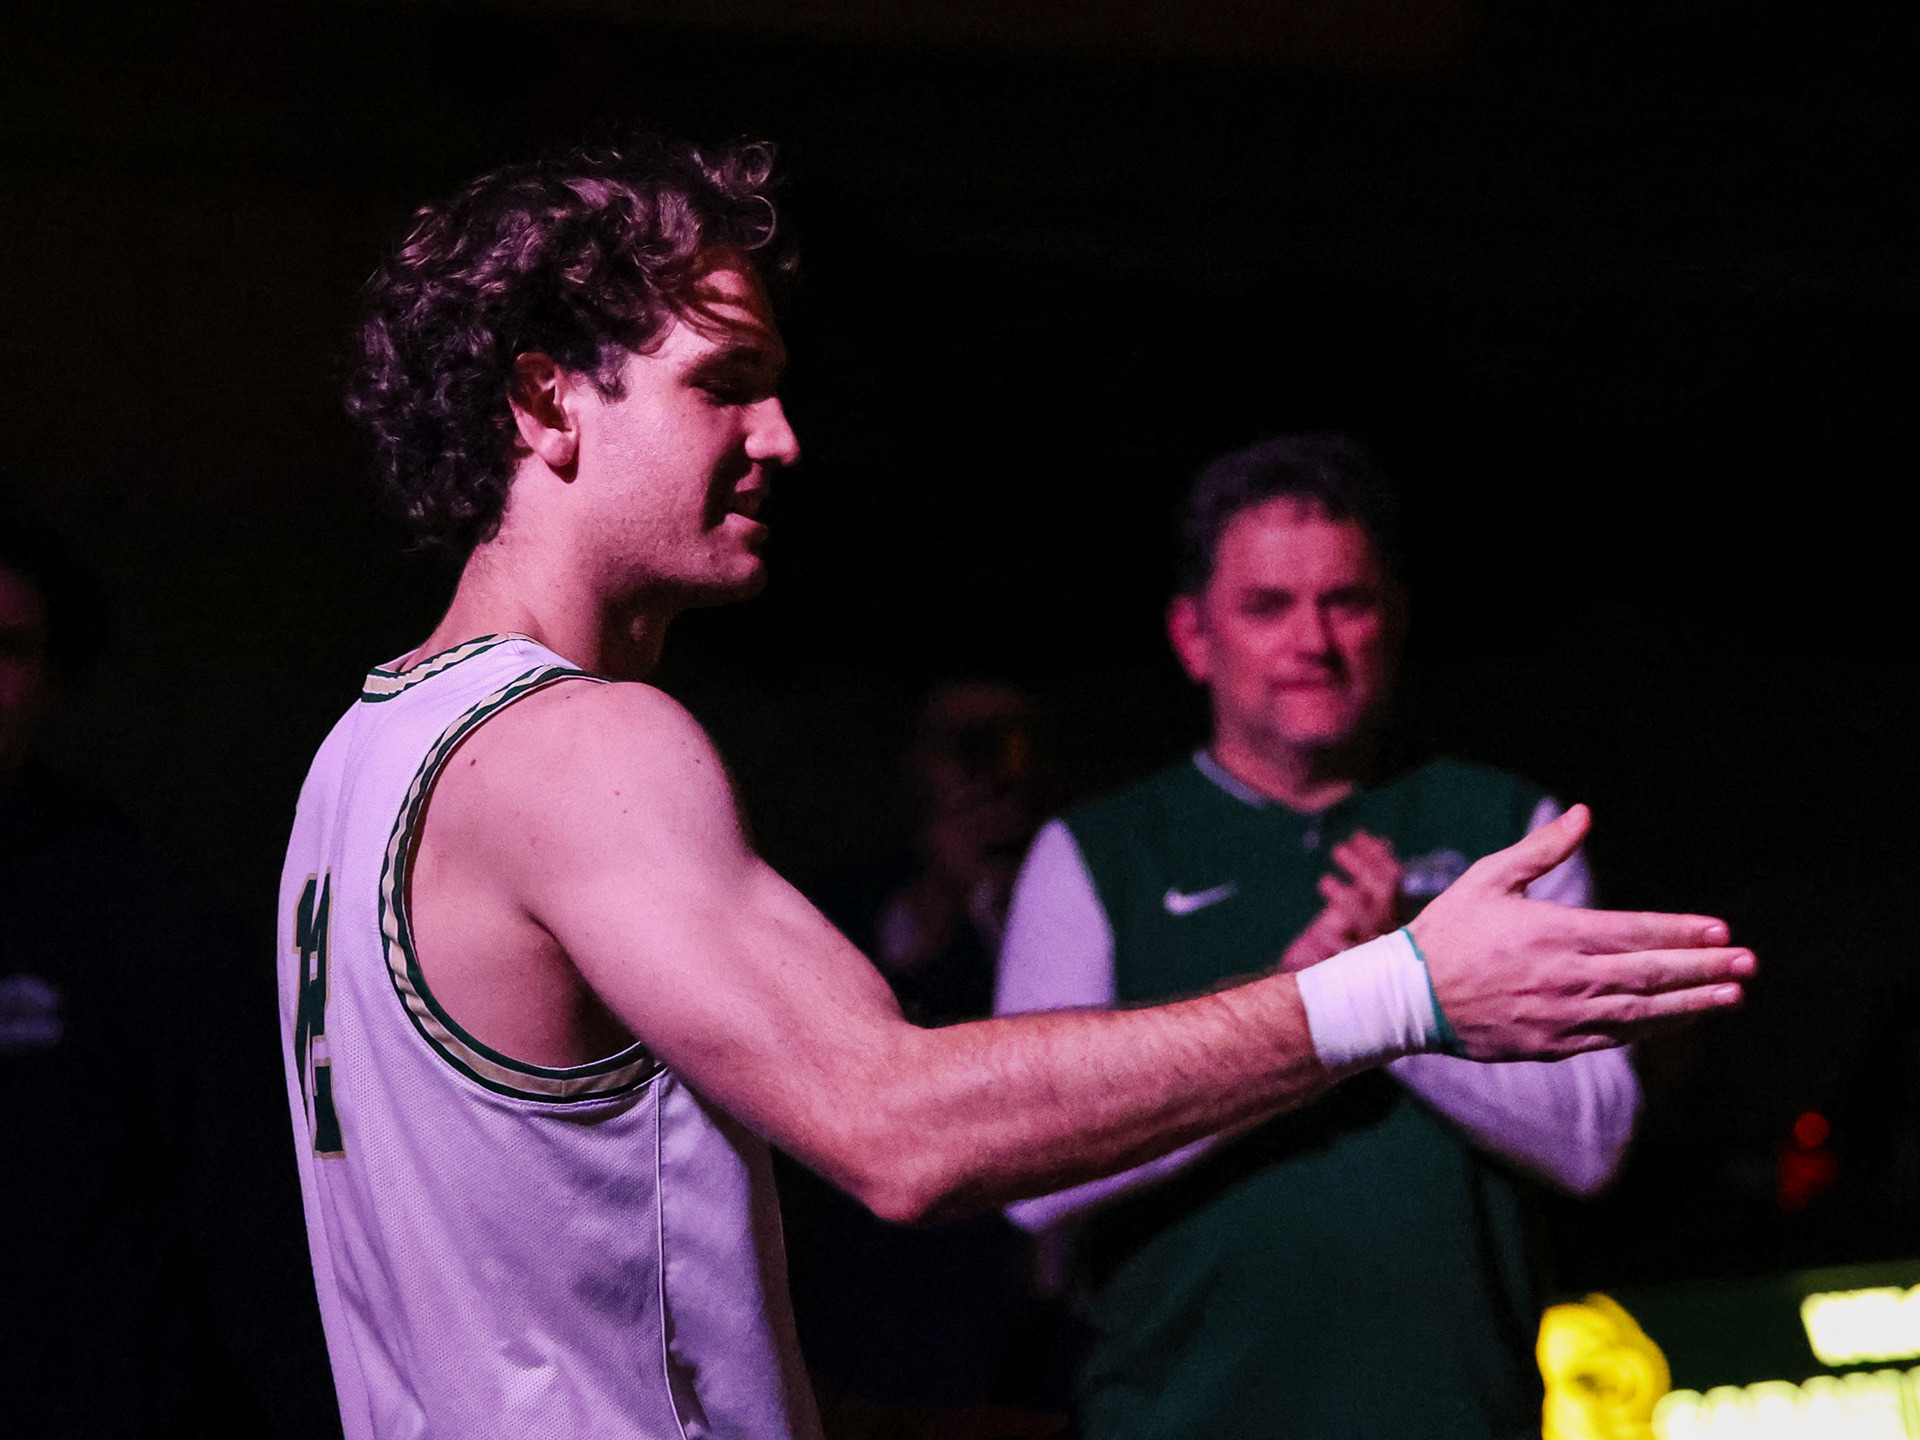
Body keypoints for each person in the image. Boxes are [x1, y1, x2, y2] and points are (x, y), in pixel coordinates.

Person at [279, 140, 1752, 1440]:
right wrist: (1402, 989)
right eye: (722, 384)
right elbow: (897, 1129)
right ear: (545, 398)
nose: (782, 437)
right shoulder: (585, 743)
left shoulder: (361, 760)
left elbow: (530, 1303)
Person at [995, 433, 1640, 1439]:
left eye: (1347, 602)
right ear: (1193, 636)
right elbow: (1023, 1169)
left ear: (1396, 618)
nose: (1313, 641)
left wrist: (1400, 984)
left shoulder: (1509, 827)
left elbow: (1593, 1140)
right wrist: (1320, 1005)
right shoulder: (1095, 853)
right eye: (1267, 607)